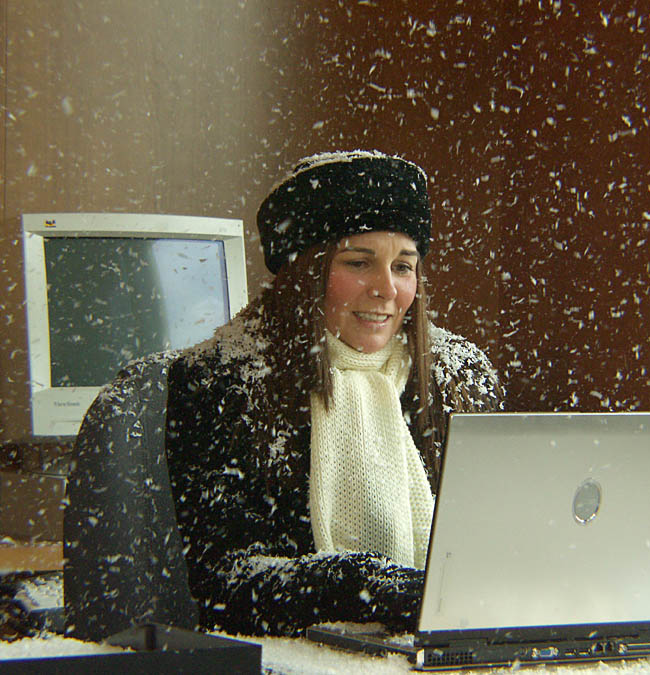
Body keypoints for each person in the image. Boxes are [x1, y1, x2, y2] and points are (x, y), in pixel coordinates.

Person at [163, 150, 503, 637]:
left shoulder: (460, 378)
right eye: (360, 262)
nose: (386, 289)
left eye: (403, 267)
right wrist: (368, 587)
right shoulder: (220, 383)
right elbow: (226, 586)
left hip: (453, 648)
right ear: (305, 272)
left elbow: (498, 543)